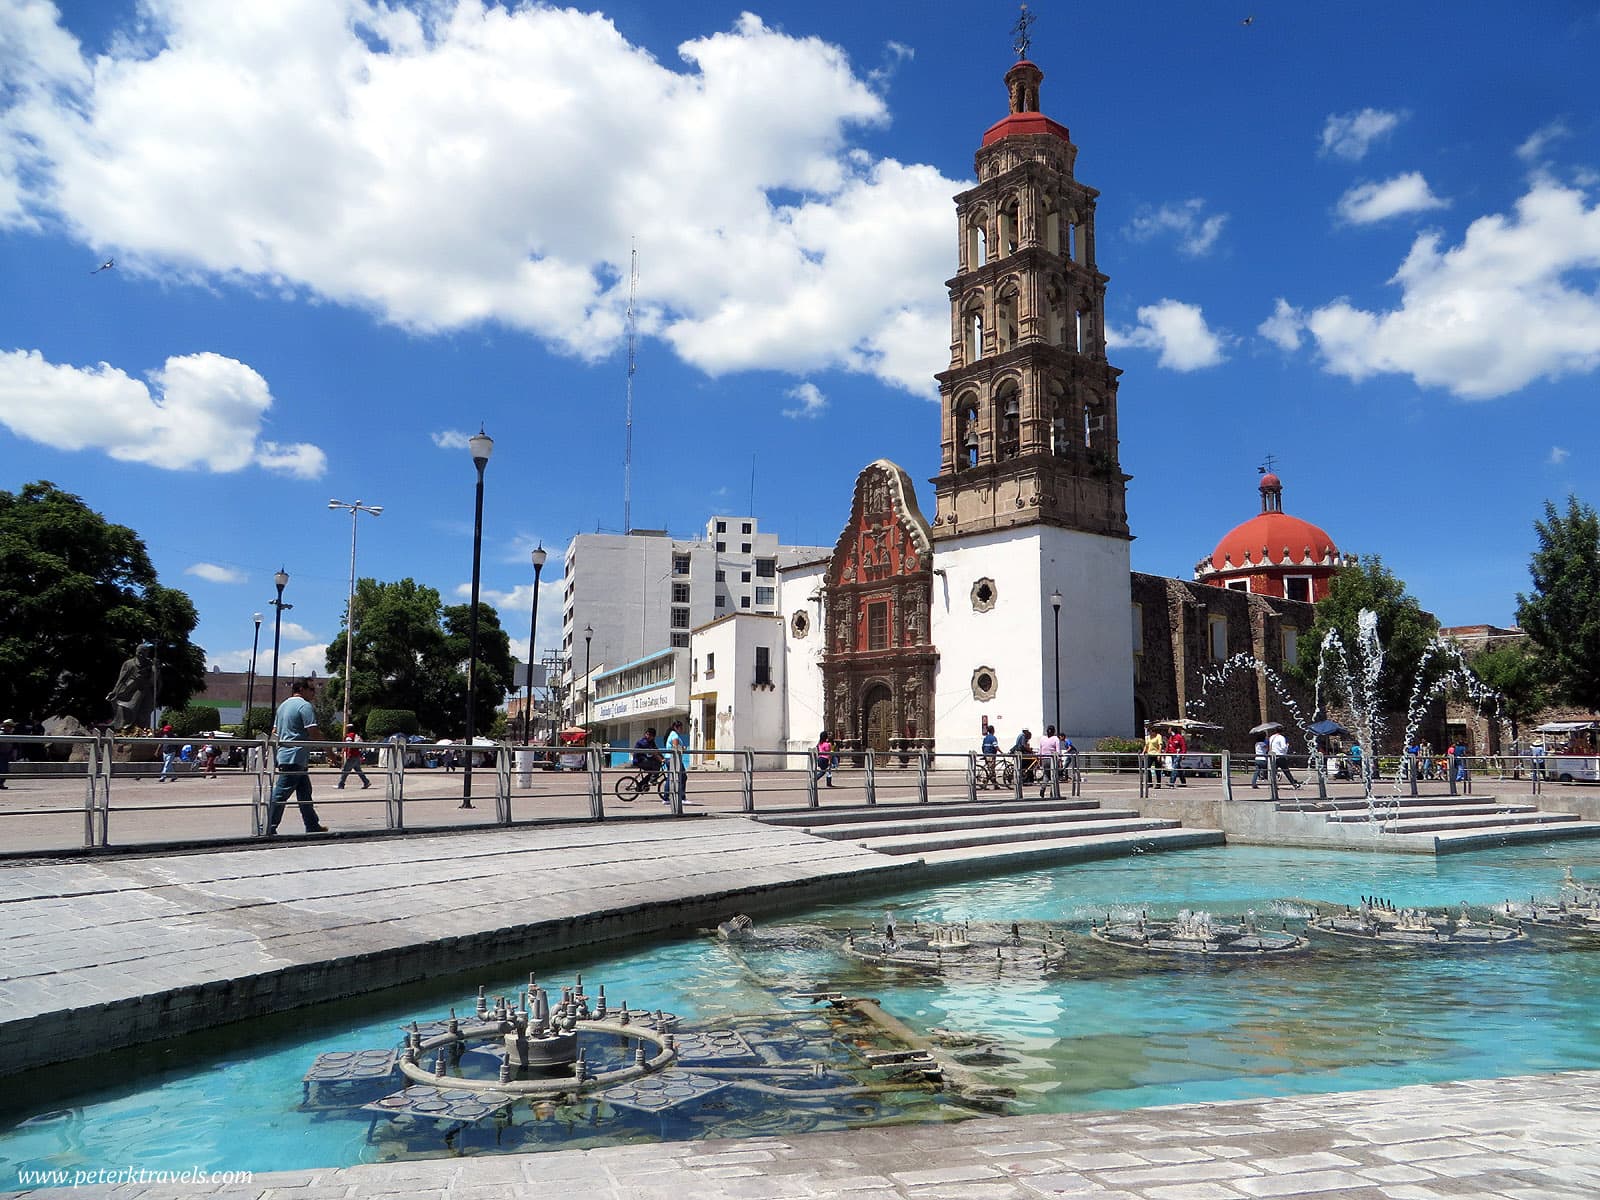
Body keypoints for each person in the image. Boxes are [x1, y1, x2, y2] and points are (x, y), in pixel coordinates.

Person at [266, 677, 328, 836]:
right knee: (281, 792)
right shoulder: (304, 706)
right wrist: (330, 752)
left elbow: (274, 732)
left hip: (287, 755)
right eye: (312, 689)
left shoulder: (283, 706)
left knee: (305, 792)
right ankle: (268, 826)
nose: (314, 693)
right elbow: (313, 731)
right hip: (296, 756)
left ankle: (312, 825)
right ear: (301, 689)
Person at [664, 719, 688, 807]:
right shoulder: (674, 735)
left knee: (670, 777)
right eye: (681, 728)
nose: (682, 729)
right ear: (676, 727)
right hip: (674, 759)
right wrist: (683, 748)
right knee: (683, 776)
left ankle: (666, 798)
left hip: (670, 758)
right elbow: (676, 747)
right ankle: (681, 797)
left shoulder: (672, 734)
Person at [1036, 724, 1062, 796]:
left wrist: (1039, 759)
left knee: (1046, 775)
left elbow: (1040, 751)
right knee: (1054, 775)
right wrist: (1059, 760)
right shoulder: (1055, 739)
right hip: (1052, 759)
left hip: (1044, 758)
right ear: (1054, 731)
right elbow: (1058, 751)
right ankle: (1052, 792)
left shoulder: (1042, 739)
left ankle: (1042, 788)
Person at [980, 723, 1000, 787]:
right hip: (991, 755)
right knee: (992, 770)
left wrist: (984, 753)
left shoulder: (985, 738)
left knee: (990, 770)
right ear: (993, 730)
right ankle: (987, 783)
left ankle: (995, 784)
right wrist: (1001, 752)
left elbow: (982, 747)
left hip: (986, 754)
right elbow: (995, 746)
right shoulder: (993, 738)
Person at [0, 717, 15, 789]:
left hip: (5, 754)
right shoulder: (2, 733)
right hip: (1, 754)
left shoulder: (8, 734)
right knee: (3, 769)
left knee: (5, 770)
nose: (12, 728)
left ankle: (1, 783)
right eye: (10, 726)